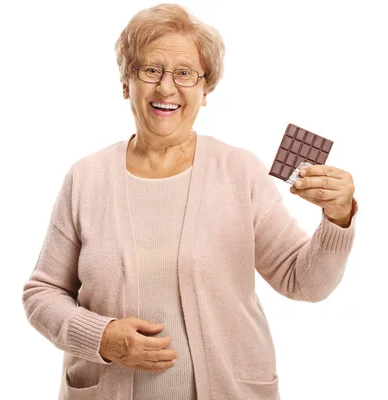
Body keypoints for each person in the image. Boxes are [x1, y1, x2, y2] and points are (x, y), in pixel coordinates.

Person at [22, 3, 358, 400]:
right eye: (150, 70)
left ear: (205, 90)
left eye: (184, 73)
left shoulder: (238, 171)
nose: (167, 87)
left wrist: (337, 218)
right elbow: (41, 293)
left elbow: (304, 282)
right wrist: (101, 337)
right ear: (126, 83)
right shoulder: (86, 178)